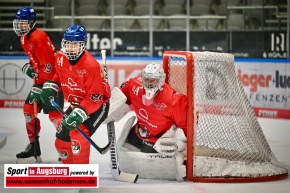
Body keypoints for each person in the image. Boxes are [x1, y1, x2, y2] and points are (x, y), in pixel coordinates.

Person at [40, 25, 111, 164]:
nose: (71, 48)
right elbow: (58, 75)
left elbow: (95, 97)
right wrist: (52, 86)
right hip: (76, 105)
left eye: (75, 44)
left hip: (98, 106)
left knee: (78, 134)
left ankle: (81, 175)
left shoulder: (91, 66)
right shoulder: (60, 57)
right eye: (68, 44)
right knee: (61, 143)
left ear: (83, 45)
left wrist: (80, 113)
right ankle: (70, 172)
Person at [116, 62, 188, 181]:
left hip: (157, 139)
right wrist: (110, 106)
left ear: (161, 81)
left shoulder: (173, 100)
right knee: (124, 153)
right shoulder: (134, 85)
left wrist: (181, 145)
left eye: (153, 80)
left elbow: (186, 128)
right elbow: (121, 96)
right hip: (139, 131)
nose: (149, 84)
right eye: (146, 80)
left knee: (146, 163)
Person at [13, 7, 63, 164]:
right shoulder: (23, 38)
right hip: (41, 81)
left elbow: (49, 66)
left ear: (32, 22)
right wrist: (31, 68)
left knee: (55, 116)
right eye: (19, 23)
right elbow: (35, 60)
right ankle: (34, 146)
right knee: (28, 110)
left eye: (23, 23)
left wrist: (41, 82)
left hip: (52, 82)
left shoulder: (39, 38)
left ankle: (67, 147)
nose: (20, 26)